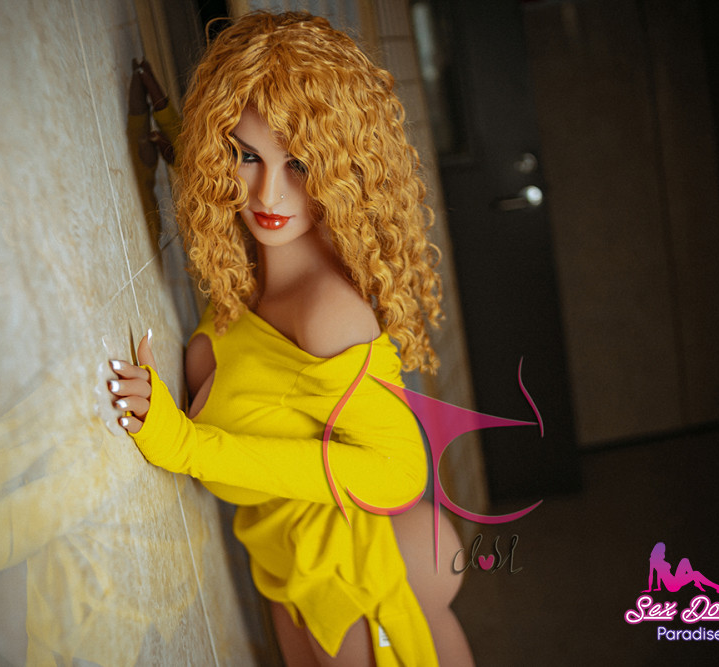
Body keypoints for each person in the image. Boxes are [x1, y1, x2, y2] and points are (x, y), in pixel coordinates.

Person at [106, 11, 473, 666]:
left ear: (338, 167)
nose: (268, 193)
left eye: (300, 163)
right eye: (246, 155)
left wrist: (182, 444)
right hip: (292, 567)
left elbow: (399, 473)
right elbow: (230, 188)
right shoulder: (251, 267)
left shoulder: (325, 313)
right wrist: (179, 138)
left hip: (356, 568)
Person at [643, 542, 719, 594]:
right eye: (663, 550)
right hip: (672, 585)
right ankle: (717, 587)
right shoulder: (654, 561)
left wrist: (659, 587)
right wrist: (650, 588)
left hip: (674, 580)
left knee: (685, 560)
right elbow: (652, 575)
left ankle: (697, 582)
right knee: (696, 574)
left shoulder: (660, 561)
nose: (664, 552)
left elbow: (659, 575)